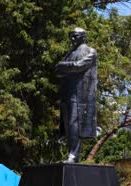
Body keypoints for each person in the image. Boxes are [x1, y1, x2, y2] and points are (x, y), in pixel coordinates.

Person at [55, 27, 97, 163]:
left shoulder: (90, 51)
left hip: (80, 95)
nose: (72, 39)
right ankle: (70, 154)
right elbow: (57, 70)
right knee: (68, 125)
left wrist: (64, 66)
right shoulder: (69, 53)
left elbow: (79, 66)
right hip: (67, 93)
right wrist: (67, 67)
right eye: (71, 36)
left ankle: (74, 155)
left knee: (75, 124)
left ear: (83, 37)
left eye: (75, 36)